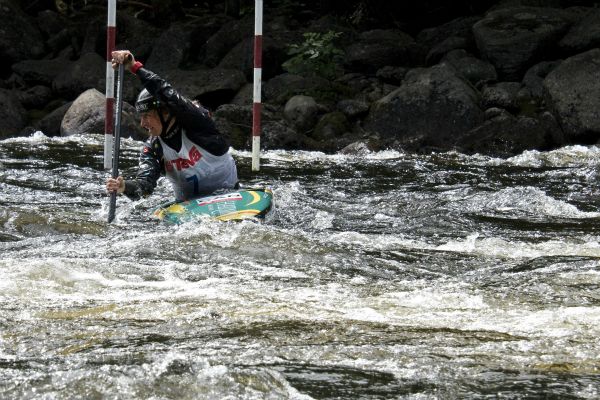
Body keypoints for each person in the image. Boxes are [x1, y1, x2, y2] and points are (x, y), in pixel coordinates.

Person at [105, 50, 238, 203]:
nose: (142, 123)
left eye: (147, 115)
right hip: (190, 208)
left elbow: (166, 93)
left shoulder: (196, 122)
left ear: (166, 112)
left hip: (229, 196)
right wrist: (124, 187)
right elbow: (144, 186)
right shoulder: (154, 148)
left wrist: (135, 67)